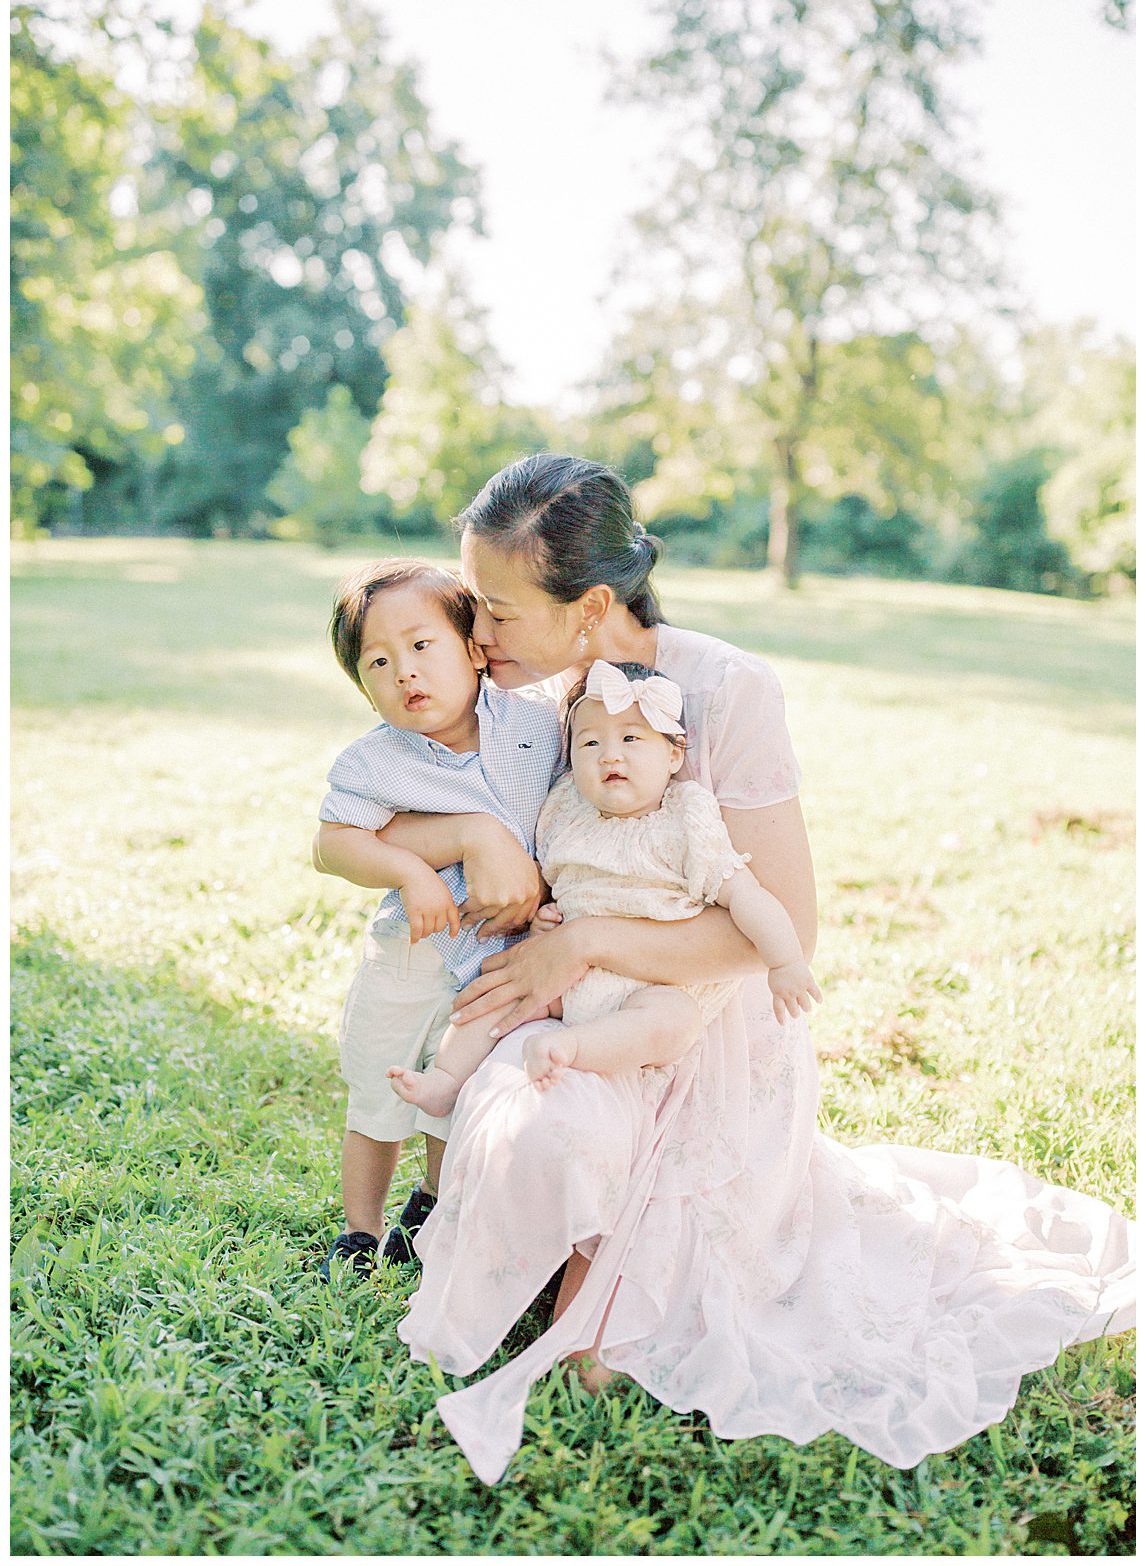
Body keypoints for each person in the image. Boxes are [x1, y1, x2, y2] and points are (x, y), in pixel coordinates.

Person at [363, 456, 1132, 1486]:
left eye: (495, 609)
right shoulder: (513, 699)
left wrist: (585, 943)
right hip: (563, 1007)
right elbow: (372, 798)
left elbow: (787, 927)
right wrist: (470, 834)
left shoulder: (728, 689)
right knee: (528, 1135)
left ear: (591, 604)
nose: (476, 633)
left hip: (697, 1025)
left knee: (657, 1304)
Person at [388, 658, 821, 1117]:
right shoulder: (565, 812)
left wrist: (786, 961)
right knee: (495, 994)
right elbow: (555, 887)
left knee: (673, 1022)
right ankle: (446, 1078)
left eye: (631, 738)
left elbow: (747, 896)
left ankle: (572, 1047)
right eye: (590, 742)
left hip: (649, 980)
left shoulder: (684, 819)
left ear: (674, 754)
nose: (610, 755)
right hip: (565, 976)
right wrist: (543, 922)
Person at [311, 558, 561, 1280]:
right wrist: (409, 869)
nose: (405, 674)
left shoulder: (536, 728)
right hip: (411, 956)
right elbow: (334, 842)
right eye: (379, 663)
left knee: (456, 1092)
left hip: (495, 959)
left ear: (473, 648)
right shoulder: (374, 761)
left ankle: (431, 1200)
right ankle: (360, 1228)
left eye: (422, 646)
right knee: (380, 1087)